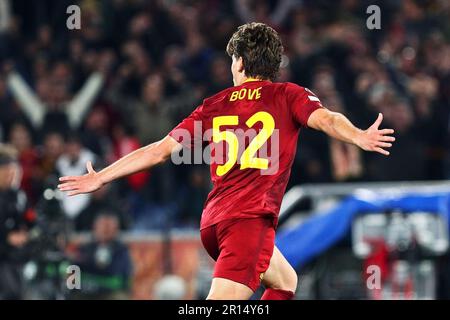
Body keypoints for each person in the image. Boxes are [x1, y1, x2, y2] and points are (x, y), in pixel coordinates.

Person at [58, 22, 395, 300]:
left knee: (285, 283)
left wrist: (103, 175)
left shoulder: (214, 104)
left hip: (214, 224)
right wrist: (358, 136)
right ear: (273, 65)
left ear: (238, 62)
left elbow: (159, 150)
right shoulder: (288, 94)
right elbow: (327, 119)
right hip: (247, 224)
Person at [0, 144, 35, 299]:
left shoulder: (19, 196)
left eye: (13, 170)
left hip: (16, 256)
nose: (11, 175)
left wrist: (28, 233)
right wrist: (7, 238)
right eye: (6, 170)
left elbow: (29, 219)